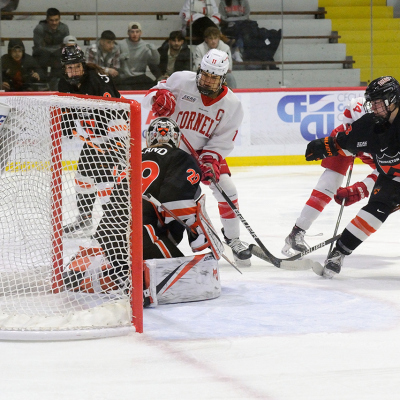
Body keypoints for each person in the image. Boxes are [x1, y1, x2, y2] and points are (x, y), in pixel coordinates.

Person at [64, 117, 222, 307]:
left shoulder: (134, 156)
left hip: (107, 232)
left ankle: (86, 274)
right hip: (142, 233)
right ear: (176, 138)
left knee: (129, 275)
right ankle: (110, 277)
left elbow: (114, 200)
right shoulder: (180, 156)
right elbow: (176, 203)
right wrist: (196, 232)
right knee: (180, 277)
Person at [142, 48, 252, 266]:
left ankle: (233, 238)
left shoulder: (232, 105)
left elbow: (222, 140)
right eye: (205, 74)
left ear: (223, 78)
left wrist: (210, 160)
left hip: (201, 153)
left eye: (213, 77)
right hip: (168, 150)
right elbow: (151, 93)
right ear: (199, 70)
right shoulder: (181, 80)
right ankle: (156, 236)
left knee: (227, 188)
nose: (207, 80)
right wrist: (159, 97)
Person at [305, 76, 400, 278]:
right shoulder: (371, 124)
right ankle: (338, 253)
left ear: (392, 100)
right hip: (392, 178)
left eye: (377, 103)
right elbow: (347, 142)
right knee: (373, 212)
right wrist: (323, 146)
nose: (373, 107)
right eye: (371, 102)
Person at [282, 96, 378, 257]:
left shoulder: (393, 130)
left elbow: (392, 174)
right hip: (356, 144)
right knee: (329, 183)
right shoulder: (348, 126)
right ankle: (297, 231)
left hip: (383, 149)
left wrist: (362, 189)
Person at [57, 44, 122, 236]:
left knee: (105, 182)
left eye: (76, 66)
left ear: (83, 65)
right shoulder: (64, 84)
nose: (73, 70)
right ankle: (85, 220)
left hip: (114, 134)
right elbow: (66, 109)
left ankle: (114, 224)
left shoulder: (98, 80)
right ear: (64, 68)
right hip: (93, 138)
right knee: (83, 179)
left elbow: (114, 111)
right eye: (69, 67)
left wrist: (113, 142)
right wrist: (67, 124)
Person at [117, 21, 160, 91]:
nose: (135, 34)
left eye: (137, 32)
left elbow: (156, 62)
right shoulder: (121, 44)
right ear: (128, 33)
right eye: (132, 32)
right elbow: (113, 62)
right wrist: (119, 58)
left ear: (141, 33)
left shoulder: (145, 46)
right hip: (125, 78)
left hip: (140, 77)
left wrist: (154, 51)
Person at [32, 8, 70, 75]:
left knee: (63, 56)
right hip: (42, 54)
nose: (54, 23)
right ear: (47, 19)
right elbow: (38, 46)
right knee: (41, 55)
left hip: (57, 54)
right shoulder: (39, 28)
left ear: (60, 19)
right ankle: (41, 79)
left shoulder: (64, 28)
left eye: (56, 20)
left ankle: (57, 81)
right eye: (51, 20)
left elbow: (66, 45)